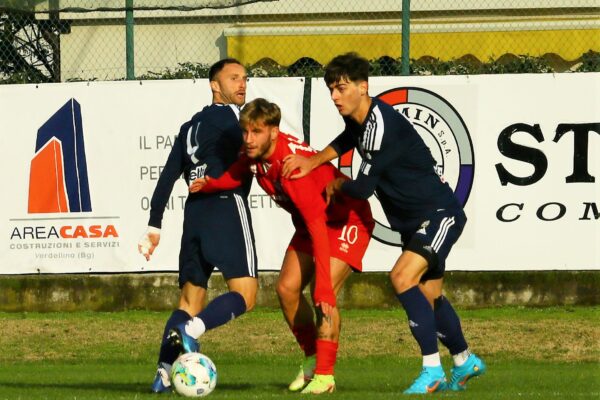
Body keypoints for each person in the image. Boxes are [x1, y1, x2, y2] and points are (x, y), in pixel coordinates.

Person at [282, 53, 486, 394]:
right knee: (430, 294)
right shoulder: (361, 122)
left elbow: (362, 188)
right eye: (331, 88)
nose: (334, 95)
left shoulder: (381, 126)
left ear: (363, 87)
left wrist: (337, 183)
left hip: (438, 215)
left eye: (341, 87)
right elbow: (348, 138)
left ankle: (432, 369)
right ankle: (465, 360)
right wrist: (314, 160)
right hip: (413, 221)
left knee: (402, 277)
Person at [186, 98, 374, 394]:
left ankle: (325, 376)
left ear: (273, 132)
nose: (248, 139)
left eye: (256, 132)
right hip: (313, 224)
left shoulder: (291, 169)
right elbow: (236, 173)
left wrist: (324, 283)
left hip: (345, 221)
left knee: (323, 295)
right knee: (286, 290)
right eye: (245, 131)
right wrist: (209, 184)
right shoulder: (254, 154)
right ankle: (313, 359)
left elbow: (318, 228)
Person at [138, 58, 258, 394]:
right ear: (214, 85)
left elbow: (166, 178)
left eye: (245, 79)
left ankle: (163, 373)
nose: (242, 85)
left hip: (194, 215)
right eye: (233, 78)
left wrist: (154, 226)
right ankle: (194, 330)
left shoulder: (188, 127)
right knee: (245, 296)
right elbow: (258, 149)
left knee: (189, 300)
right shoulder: (233, 120)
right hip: (225, 207)